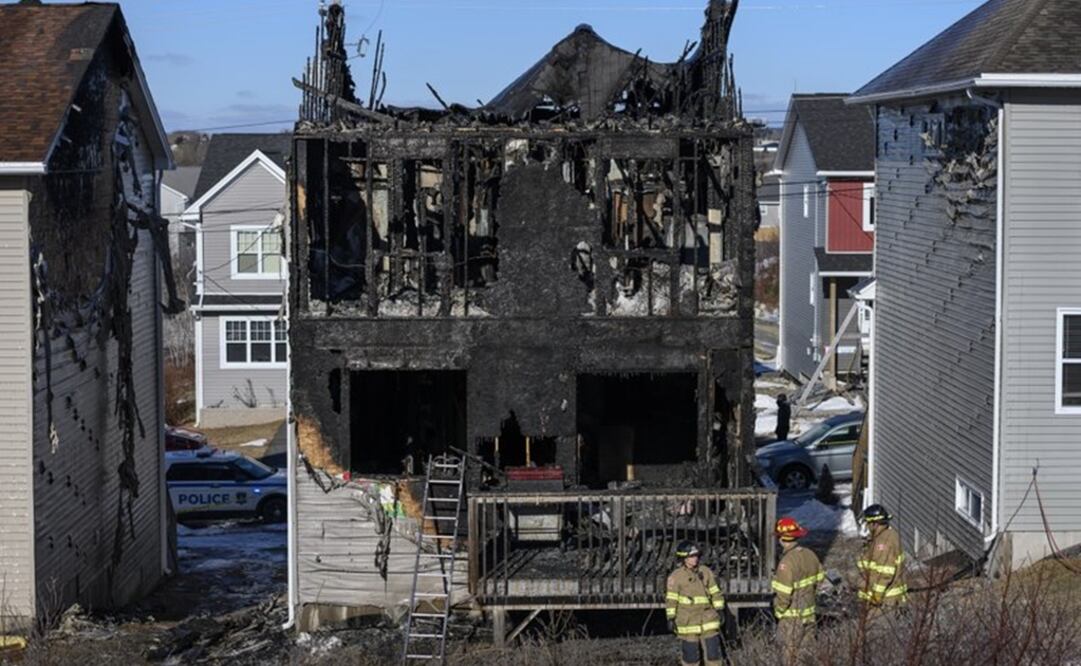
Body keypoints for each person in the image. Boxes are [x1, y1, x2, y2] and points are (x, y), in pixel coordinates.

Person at [772, 517, 824, 665]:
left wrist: (779, 612)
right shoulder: (810, 554)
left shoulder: (786, 563)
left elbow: (783, 596)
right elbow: (820, 579)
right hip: (810, 617)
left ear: (782, 539)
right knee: (807, 658)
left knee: (790, 658)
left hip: (792, 621)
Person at [666, 541, 727, 666]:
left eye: (696, 556)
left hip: (708, 620)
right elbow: (671, 599)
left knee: (713, 657)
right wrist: (671, 618)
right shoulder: (676, 576)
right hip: (688, 623)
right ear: (684, 558)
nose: (695, 559)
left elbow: (715, 592)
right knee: (691, 659)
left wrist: (720, 610)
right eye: (692, 556)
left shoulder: (706, 572)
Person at [856, 504, 907, 611]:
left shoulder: (883, 543)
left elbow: (885, 573)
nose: (868, 527)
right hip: (886, 599)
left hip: (884, 602)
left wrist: (876, 597)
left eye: (868, 524)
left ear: (874, 524)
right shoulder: (887, 535)